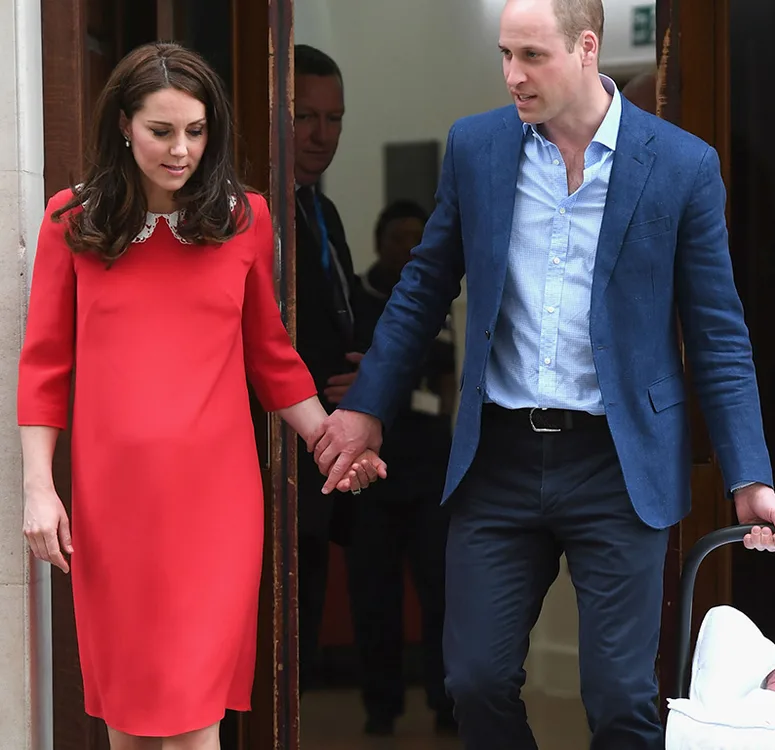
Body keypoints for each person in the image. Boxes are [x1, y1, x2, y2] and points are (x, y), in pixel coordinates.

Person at [309, 0, 775, 748]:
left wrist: (748, 476)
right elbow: (422, 289)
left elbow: (718, 336)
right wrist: (369, 406)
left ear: (586, 48)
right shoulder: (477, 148)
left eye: (532, 56)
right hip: (497, 457)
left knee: (621, 698)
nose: (512, 75)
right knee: (473, 681)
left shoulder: (682, 166)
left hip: (617, 464)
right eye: (505, 54)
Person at [17, 42, 383, 750]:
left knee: (194, 718)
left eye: (196, 130)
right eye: (161, 131)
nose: (181, 149)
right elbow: (43, 367)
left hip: (216, 508)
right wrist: (39, 488)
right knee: (129, 720)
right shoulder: (73, 222)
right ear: (124, 125)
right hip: (114, 506)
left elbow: (272, 359)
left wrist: (328, 439)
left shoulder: (244, 221)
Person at [347, 200, 457, 736]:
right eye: (399, 238)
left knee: (441, 593)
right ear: (378, 241)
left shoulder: (442, 297)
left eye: (419, 238)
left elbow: (446, 380)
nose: (409, 248)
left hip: (431, 467)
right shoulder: (357, 295)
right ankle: (380, 707)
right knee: (374, 596)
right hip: (369, 474)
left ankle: (444, 702)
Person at [291, 43, 372, 692]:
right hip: (278, 447)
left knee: (308, 628)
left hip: (331, 452)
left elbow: (343, 314)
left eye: (335, 118)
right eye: (306, 116)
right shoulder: (246, 212)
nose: (322, 135)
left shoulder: (324, 210)